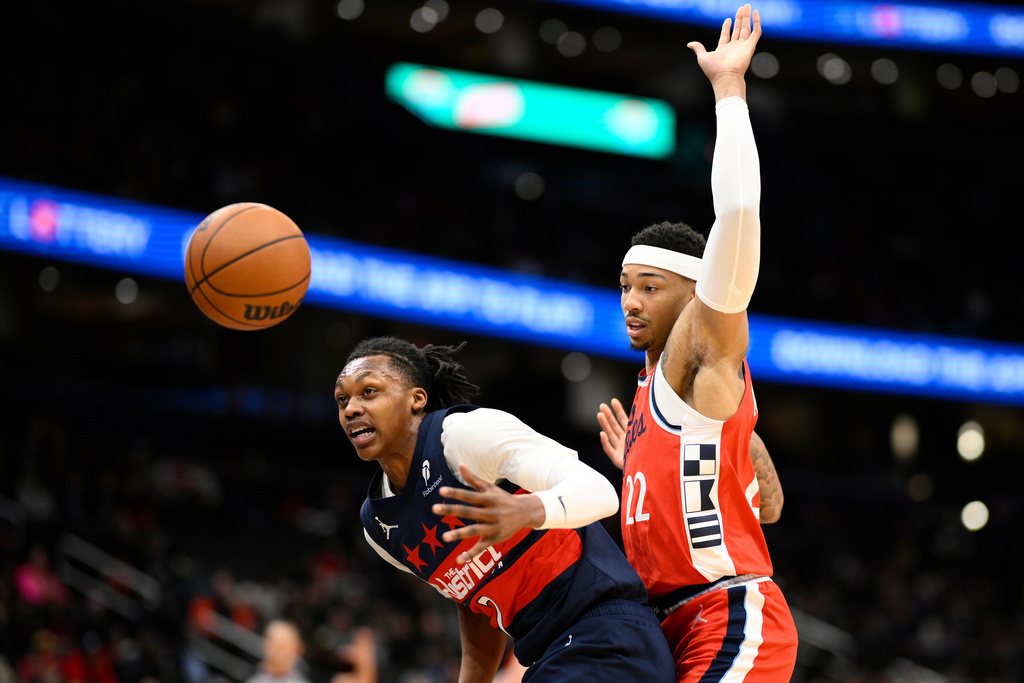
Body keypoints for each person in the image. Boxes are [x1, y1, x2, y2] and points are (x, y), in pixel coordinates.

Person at [595, 6, 799, 682]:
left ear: (692, 292)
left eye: (648, 286)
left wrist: (728, 92)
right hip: (673, 626)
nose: (629, 300)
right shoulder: (661, 396)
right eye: (624, 284)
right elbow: (767, 504)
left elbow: (739, 215)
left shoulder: (699, 346)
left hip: (728, 614)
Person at [334, 336, 676, 683]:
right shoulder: (378, 527)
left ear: (416, 399)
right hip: (550, 652)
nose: (351, 408)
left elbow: (601, 493)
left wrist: (525, 510)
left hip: (608, 633)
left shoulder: (464, 436)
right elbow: (476, 602)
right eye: (342, 399)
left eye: (369, 392)